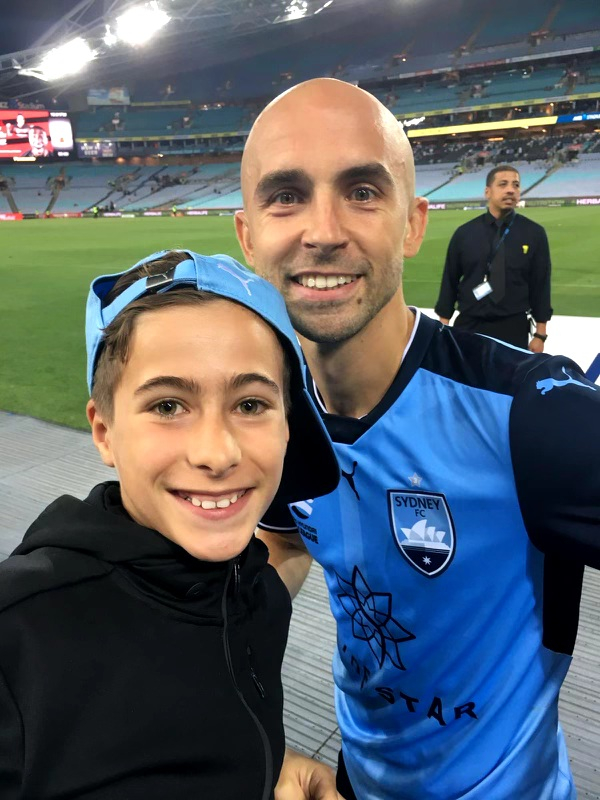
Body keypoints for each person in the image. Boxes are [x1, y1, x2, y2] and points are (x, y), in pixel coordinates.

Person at [234, 78, 600, 800]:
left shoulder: (526, 414)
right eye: (286, 195)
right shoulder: (267, 409)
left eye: (363, 191)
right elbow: (279, 540)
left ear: (412, 222)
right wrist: (239, 718)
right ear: (247, 233)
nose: (323, 230)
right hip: (353, 782)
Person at [0, 248, 343, 800]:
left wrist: (266, 764)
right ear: (104, 430)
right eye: (167, 406)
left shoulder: (255, 589)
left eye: (251, 404)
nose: (216, 453)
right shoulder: (18, 640)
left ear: (288, 426)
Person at [434, 165, 552, 350]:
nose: (511, 190)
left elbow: (541, 284)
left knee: (508, 379)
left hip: (513, 326)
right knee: (467, 378)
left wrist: (540, 334)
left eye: (516, 185)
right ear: (487, 192)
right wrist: (443, 326)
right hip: (469, 325)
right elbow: (449, 280)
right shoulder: (464, 233)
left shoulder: (534, 233)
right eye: (503, 184)